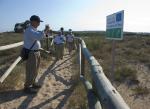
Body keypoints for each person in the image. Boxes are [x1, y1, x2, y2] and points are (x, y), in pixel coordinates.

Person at [23, 15, 48, 94]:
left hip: (36, 52)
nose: (39, 23)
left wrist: (44, 32)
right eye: (38, 22)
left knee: (35, 70)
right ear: (33, 21)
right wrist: (45, 30)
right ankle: (27, 87)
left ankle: (33, 83)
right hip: (32, 53)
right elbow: (39, 37)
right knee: (31, 70)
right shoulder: (29, 30)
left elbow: (40, 35)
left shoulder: (33, 29)